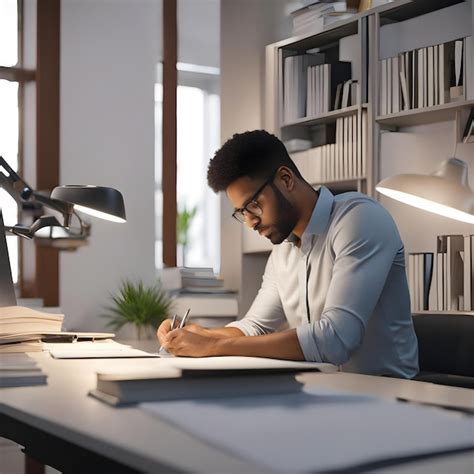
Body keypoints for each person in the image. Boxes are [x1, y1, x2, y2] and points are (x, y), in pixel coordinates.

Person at [157, 130, 419, 378]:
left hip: (389, 393)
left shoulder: (360, 219)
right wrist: (203, 335)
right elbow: (254, 327)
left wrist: (214, 347)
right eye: (242, 213)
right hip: (325, 391)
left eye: (254, 206)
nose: (250, 223)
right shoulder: (283, 250)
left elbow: (336, 340)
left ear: (286, 179)